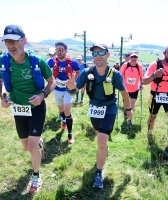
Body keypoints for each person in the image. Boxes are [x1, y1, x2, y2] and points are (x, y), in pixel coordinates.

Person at [0, 25, 56, 195]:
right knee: (27, 147)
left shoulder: (37, 61)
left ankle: (36, 177)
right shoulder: (2, 61)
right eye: (7, 41)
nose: (10, 45)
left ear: (24, 41)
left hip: (36, 108)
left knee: (33, 146)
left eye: (14, 41)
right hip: (18, 108)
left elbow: (52, 81)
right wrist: (3, 96)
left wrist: (43, 95)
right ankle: (40, 144)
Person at [66, 44, 132, 189]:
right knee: (100, 137)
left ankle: (98, 173)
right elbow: (73, 92)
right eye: (94, 53)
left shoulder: (115, 74)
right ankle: (103, 149)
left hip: (109, 109)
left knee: (101, 141)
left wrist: (128, 109)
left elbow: (124, 93)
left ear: (108, 55)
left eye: (101, 52)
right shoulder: (86, 72)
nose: (97, 55)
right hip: (94, 109)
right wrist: (70, 89)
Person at [47, 41, 80, 144]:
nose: (59, 52)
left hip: (67, 90)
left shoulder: (72, 62)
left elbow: (78, 71)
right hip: (57, 89)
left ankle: (70, 134)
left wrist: (73, 82)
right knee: (61, 111)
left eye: (61, 50)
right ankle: (64, 120)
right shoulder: (52, 61)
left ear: (66, 51)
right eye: (57, 50)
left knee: (67, 111)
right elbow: (45, 70)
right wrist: (50, 79)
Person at [119, 51, 143, 126]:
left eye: (135, 57)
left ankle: (129, 120)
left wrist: (141, 84)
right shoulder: (125, 65)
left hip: (135, 88)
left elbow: (142, 77)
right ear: (130, 57)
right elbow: (119, 74)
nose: (134, 58)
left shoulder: (139, 67)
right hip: (125, 88)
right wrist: (119, 83)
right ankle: (126, 113)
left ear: (137, 58)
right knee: (126, 104)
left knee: (132, 104)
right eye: (132, 57)